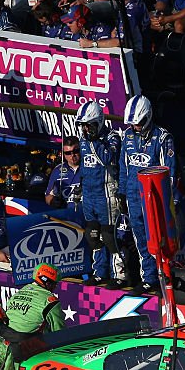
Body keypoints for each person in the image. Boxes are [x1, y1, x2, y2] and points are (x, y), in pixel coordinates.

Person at [118, 94, 175, 294]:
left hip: (155, 198)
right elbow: (123, 167)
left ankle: (166, 276)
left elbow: (170, 172)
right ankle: (149, 279)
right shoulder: (127, 136)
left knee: (159, 238)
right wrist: (122, 193)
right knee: (140, 240)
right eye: (133, 124)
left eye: (139, 123)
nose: (136, 127)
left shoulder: (163, 137)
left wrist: (168, 201)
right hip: (134, 197)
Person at [75, 101, 123, 285]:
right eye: (83, 126)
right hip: (89, 195)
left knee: (110, 237)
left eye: (89, 125)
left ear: (98, 122)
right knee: (93, 236)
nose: (85, 130)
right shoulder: (82, 140)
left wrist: (95, 140)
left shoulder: (112, 137)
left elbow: (108, 159)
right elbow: (84, 168)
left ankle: (119, 276)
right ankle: (100, 273)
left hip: (106, 193)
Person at [2, 262, 65, 355]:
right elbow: (59, 333)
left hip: (5, 340)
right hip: (26, 345)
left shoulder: (19, 292)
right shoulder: (51, 301)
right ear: (46, 282)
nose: (55, 287)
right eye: (54, 284)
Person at [45, 136, 82, 212]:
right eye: (68, 153)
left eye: (75, 151)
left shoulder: (91, 167)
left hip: (87, 216)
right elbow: (47, 196)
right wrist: (52, 201)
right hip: (66, 216)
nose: (72, 155)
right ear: (63, 154)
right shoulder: (57, 170)